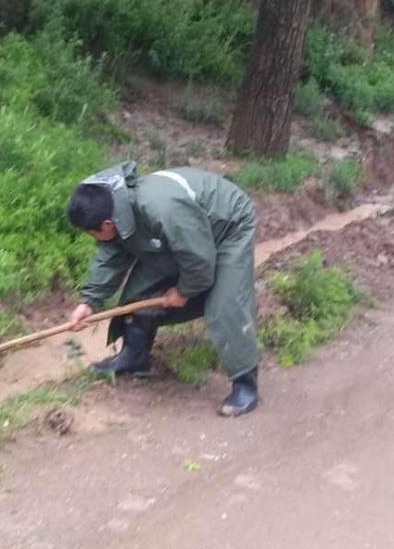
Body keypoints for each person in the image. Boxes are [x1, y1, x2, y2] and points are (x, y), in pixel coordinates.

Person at [65, 161, 260, 417]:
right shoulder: (113, 206)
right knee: (141, 291)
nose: (92, 238)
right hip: (189, 232)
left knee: (225, 305)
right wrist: (89, 301)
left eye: (91, 233)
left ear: (108, 224)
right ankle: (134, 357)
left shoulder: (163, 209)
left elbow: (198, 260)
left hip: (228, 225)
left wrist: (183, 292)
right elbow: (111, 256)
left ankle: (245, 384)